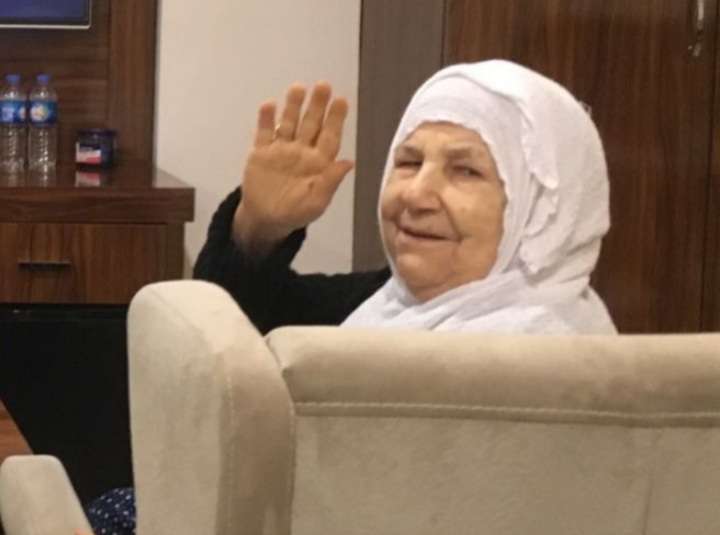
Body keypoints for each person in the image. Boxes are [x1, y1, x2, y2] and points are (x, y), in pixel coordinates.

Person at [81, 59, 616, 535]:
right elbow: (233, 331)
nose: (415, 194)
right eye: (408, 162)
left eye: (465, 171)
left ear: (542, 210)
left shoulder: (556, 374)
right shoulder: (392, 302)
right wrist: (258, 228)